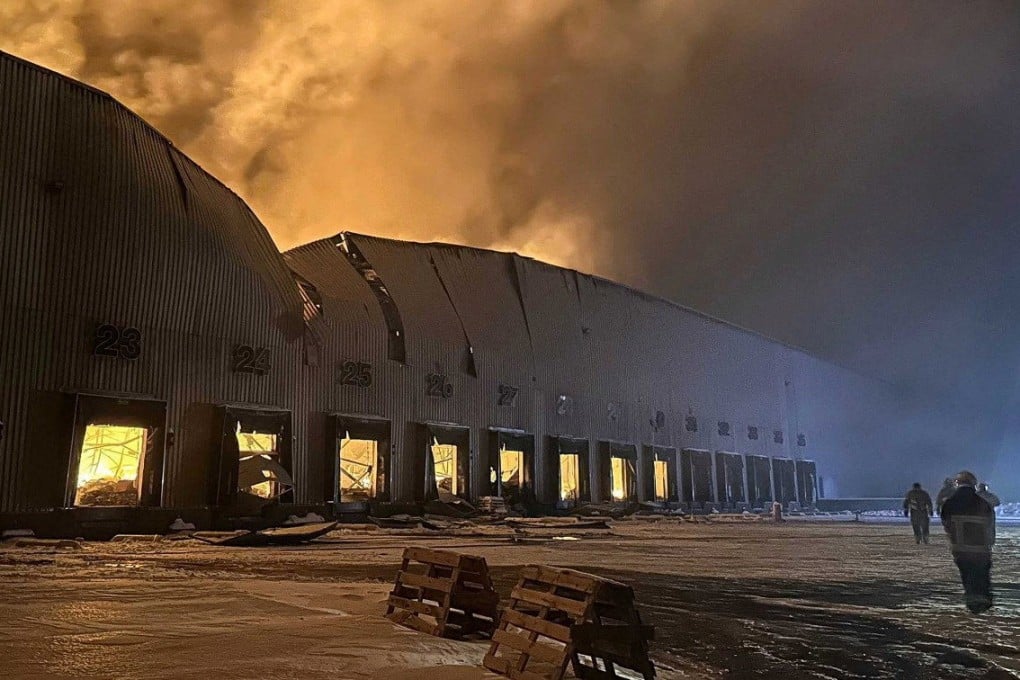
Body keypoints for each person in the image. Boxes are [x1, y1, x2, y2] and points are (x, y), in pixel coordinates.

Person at [940, 470, 996, 614]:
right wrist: (990, 542)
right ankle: (983, 599)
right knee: (981, 573)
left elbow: (946, 523)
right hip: (981, 547)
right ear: (974, 484)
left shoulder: (950, 503)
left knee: (967, 573)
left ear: (957, 484)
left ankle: (972, 600)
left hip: (960, 548)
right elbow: (990, 525)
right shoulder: (983, 503)